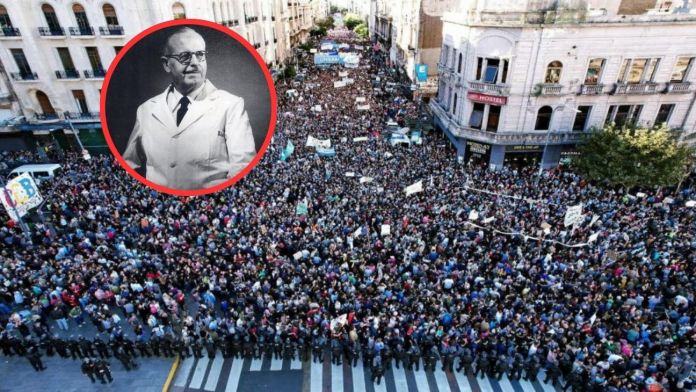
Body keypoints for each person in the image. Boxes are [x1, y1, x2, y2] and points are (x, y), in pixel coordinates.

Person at [122, 27, 256, 190]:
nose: (194, 62)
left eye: (200, 55)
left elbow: (243, 166)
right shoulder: (146, 110)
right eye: (184, 56)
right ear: (166, 64)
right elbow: (129, 165)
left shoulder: (231, 105)